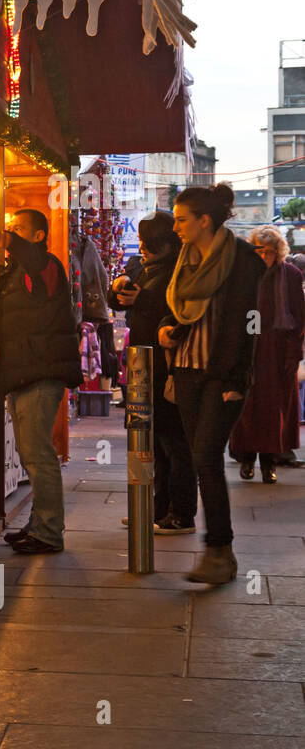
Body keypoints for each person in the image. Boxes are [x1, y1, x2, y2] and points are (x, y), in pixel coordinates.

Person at [158, 185, 265, 584]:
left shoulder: (242, 259)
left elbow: (250, 320)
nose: (177, 229)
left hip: (221, 374)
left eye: (183, 220)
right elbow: (181, 314)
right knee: (200, 456)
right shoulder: (185, 258)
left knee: (206, 456)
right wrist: (168, 330)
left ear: (205, 220)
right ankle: (219, 553)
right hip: (186, 369)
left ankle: (220, 551)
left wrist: (238, 377)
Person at [0, 209, 84, 554]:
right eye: (10, 229)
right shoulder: (18, 268)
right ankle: (38, 524)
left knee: (39, 455)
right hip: (23, 372)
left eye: (19, 230)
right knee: (30, 453)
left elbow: (32, 262)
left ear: (38, 236)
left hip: (40, 373)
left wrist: (11, 244)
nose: (11, 234)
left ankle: (48, 532)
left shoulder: (46, 265)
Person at [108, 211, 197, 533]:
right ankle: (157, 509)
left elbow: (181, 312)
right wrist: (119, 289)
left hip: (167, 365)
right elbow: (120, 303)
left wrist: (142, 298)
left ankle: (181, 513)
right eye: (143, 242)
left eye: (151, 244)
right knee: (150, 440)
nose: (143, 248)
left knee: (173, 440)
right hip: (141, 362)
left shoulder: (181, 272)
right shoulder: (143, 268)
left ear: (167, 245)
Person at [228, 225, 304, 483]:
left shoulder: (291, 275)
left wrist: (294, 352)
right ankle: (247, 460)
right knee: (246, 409)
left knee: (275, 411)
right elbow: (240, 314)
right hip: (250, 351)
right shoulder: (244, 275)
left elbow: (299, 316)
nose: (264, 257)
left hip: (279, 353)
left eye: (270, 252)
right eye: (260, 251)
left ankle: (268, 464)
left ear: (278, 252)